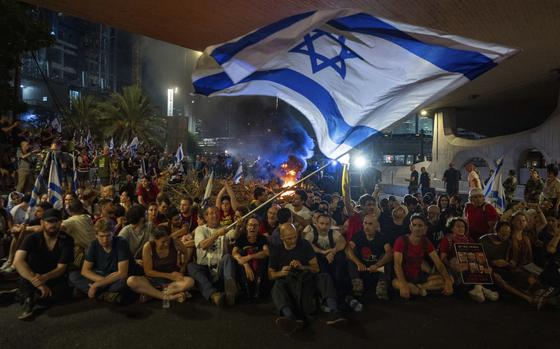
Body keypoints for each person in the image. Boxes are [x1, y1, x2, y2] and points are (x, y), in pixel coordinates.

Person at [269, 223, 346, 332]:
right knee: (277, 286)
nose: (293, 240)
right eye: (289, 238)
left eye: (295, 236)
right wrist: (281, 272)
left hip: (306, 279)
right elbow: (271, 274)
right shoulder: (276, 250)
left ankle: (335, 311)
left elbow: (316, 268)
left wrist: (302, 266)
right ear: (282, 238)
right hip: (288, 281)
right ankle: (290, 317)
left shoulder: (304, 244)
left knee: (324, 277)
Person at [11, 209, 74, 320]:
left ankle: (22, 293)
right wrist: (38, 283)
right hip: (32, 275)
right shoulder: (32, 238)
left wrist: (45, 277)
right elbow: (17, 261)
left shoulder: (67, 240)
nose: (52, 224)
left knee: (62, 294)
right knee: (26, 275)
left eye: (55, 221)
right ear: (42, 222)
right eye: (49, 221)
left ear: (60, 222)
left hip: (52, 276)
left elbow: (61, 268)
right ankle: (28, 298)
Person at [187, 206, 241, 307]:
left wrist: (238, 226)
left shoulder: (224, 228)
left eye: (216, 213)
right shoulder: (200, 229)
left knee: (228, 257)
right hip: (205, 270)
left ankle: (230, 291)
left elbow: (234, 235)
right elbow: (203, 245)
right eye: (211, 213)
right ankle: (214, 295)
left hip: (220, 271)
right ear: (206, 217)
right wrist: (216, 235)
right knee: (191, 266)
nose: (215, 215)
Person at [392, 214, 454, 299]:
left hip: (419, 277)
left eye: (420, 225)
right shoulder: (401, 240)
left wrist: (448, 281)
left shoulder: (425, 241)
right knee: (395, 283)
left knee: (449, 279)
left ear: (425, 228)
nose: (417, 228)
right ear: (410, 227)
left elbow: (438, 262)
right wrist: (403, 284)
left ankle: (419, 289)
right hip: (403, 276)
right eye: (414, 225)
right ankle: (418, 289)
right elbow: (397, 265)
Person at [127, 225, 194, 303]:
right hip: (154, 280)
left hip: (172, 282)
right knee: (131, 281)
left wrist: (183, 267)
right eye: (163, 242)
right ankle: (168, 296)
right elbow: (148, 271)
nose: (166, 244)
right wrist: (170, 275)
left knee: (190, 281)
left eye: (168, 240)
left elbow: (185, 252)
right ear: (155, 240)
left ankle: (152, 294)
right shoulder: (148, 247)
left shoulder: (175, 242)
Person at [69, 218, 130, 302]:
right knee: (73, 275)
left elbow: (122, 273)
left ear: (113, 234)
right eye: (101, 236)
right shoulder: (93, 245)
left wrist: (96, 285)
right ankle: (105, 295)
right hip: (102, 275)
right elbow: (85, 271)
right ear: (96, 235)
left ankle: (96, 292)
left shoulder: (121, 242)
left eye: (108, 236)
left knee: (126, 281)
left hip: (116, 276)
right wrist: (103, 281)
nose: (105, 240)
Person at [439, 217, 499, 303]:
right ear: (452, 228)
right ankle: (482, 290)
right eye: (458, 226)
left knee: (484, 266)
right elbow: (443, 258)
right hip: (454, 267)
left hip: (470, 265)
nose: (461, 228)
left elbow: (477, 253)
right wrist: (450, 266)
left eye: (463, 226)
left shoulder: (469, 239)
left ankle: (478, 289)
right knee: (456, 261)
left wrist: (484, 264)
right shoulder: (447, 240)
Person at [345, 214, 392, 300]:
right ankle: (357, 284)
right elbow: (348, 250)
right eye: (365, 223)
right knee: (350, 256)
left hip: (377, 268)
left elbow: (389, 253)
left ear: (376, 226)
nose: (366, 227)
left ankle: (382, 286)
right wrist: (358, 263)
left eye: (370, 224)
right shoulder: (358, 235)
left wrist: (377, 265)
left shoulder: (382, 237)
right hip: (361, 268)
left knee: (385, 257)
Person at [304, 212, 349, 300]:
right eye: (322, 223)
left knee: (340, 260)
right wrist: (322, 252)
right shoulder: (312, 234)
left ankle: (342, 294)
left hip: (332, 258)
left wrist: (333, 252)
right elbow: (307, 244)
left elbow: (342, 241)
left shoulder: (333, 233)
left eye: (327, 224)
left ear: (330, 224)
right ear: (316, 223)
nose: (324, 226)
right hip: (320, 260)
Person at [232, 217, 270, 298]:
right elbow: (234, 253)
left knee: (265, 259)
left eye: (255, 225)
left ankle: (259, 287)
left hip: (259, 267)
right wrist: (245, 263)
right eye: (250, 225)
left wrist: (250, 256)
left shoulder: (262, 238)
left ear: (259, 227)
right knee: (240, 254)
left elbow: (266, 252)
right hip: (244, 268)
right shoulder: (241, 238)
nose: (252, 227)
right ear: (246, 227)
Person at [61, 199, 96, 269]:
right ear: (82, 209)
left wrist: (32, 228)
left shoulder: (72, 220)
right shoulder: (87, 217)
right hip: (96, 252)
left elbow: (54, 228)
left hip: (86, 257)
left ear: (69, 211)